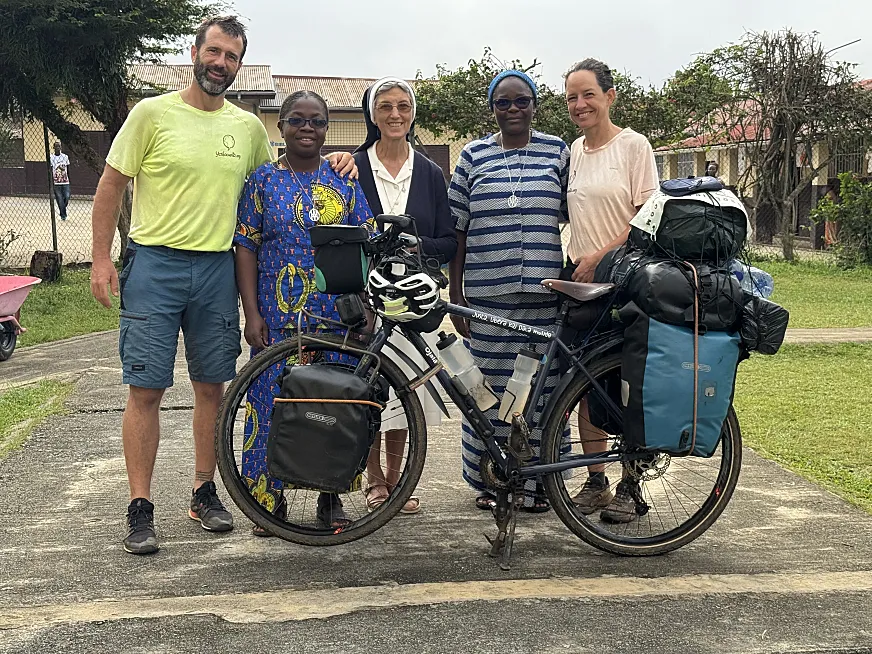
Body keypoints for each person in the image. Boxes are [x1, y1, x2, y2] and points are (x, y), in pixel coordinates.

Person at [90, 16, 357, 555]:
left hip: (216, 269)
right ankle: (140, 505)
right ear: (195, 52)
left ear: (239, 64)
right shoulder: (152, 114)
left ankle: (203, 490)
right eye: (213, 52)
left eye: (231, 56)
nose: (220, 63)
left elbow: (281, 180)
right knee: (146, 389)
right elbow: (112, 184)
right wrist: (100, 259)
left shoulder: (248, 128)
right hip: (156, 264)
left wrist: (336, 158)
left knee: (212, 385)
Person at [235, 90, 377, 535]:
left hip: (336, 314)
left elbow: (366, 242)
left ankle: (330, 496)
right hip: (279, 316)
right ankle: (268, 499)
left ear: (327, 128)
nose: (307, 128)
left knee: (332, 407)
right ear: (281, 126)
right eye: (297, 120)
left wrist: (366, 305)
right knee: (272, 404)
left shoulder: (343, 179)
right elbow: (245, 246)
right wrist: (251, 313)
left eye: (316, 121)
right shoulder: (262, 181)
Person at [448, 70, 570, 512]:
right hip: (487, 299)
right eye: (503, 103)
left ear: (535, 105)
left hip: (544, 295)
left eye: (522, 101)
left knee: (540, 394)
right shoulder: (473, 155)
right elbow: (457, 229)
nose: (513, 109)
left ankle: (540, 486)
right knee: (486, 394)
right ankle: (493, 481)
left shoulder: (557, 151)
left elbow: (578, 213)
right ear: (492, 109)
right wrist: (456, 293)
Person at [352, 77, 457, 515]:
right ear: (372, 115)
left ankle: (396, 481)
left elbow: (448, 241)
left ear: (413, 114)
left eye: (403, 106)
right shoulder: (353, 167)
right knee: (366, 389)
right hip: (365, 298)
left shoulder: (430, 173)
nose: (395, 114)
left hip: (414, 300)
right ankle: (373, 478)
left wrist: (415, 247)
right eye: (385, 106)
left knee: (404, 393)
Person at [563, 58, 659, 523]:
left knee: (626, 386)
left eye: (589, 95)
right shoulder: (575, 151)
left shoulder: (633, 146)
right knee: (586, 385)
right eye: (572, 98)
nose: (580, 105)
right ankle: (596, 480)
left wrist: (599, 256)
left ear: (609, 96)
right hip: (582, 283)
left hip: (624, 282)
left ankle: (631, 486)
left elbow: (647, 219)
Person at [50, 142, 71, 221]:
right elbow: (51, 169)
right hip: (56, 181)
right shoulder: (52, 157)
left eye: (59, 146)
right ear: (54, 148)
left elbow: (68, 168)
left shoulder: (65, 157)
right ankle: (63, 215)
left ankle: (62, 208)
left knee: (67, 196)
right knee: (59, 198)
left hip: (65, 181)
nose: (58, 148)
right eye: (56, 147)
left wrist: (68, 178)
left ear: (61, 147)